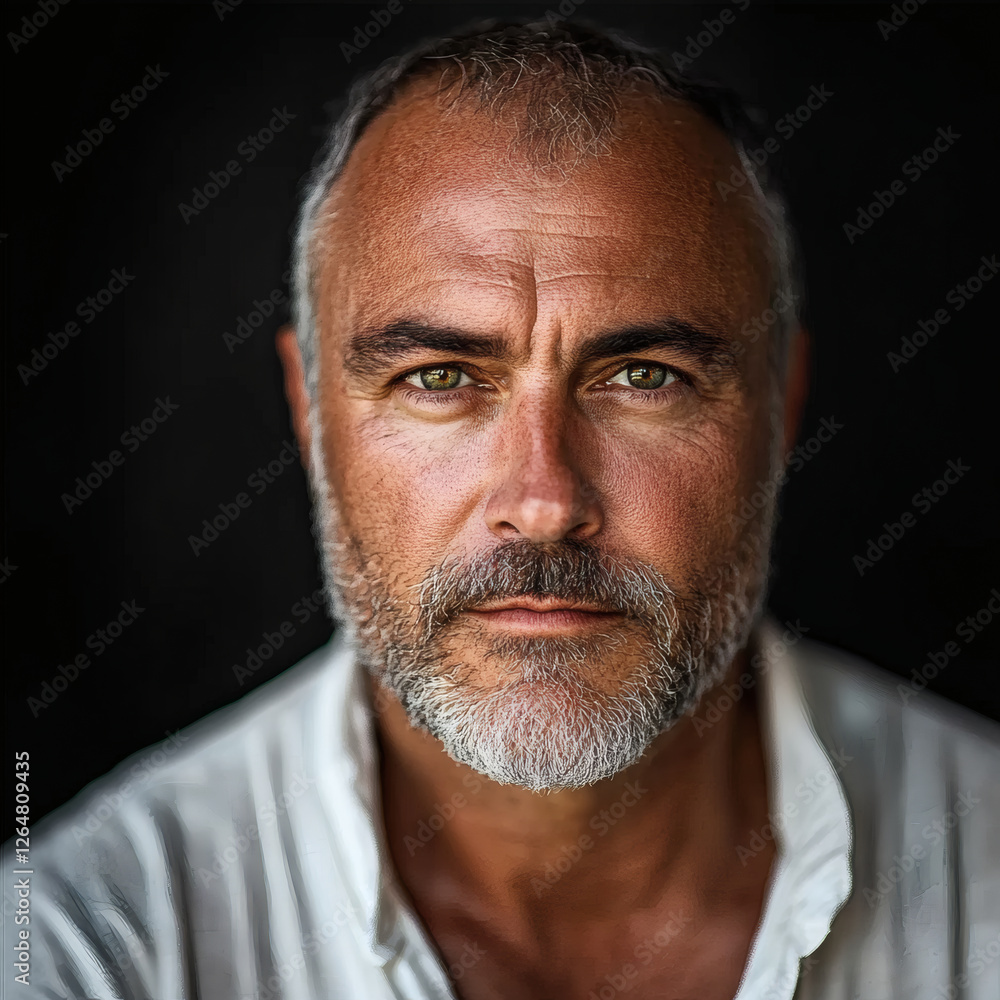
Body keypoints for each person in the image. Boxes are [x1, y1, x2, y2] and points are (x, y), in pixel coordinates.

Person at [6, 18, 999, 1000]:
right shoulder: (81, 949)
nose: (544, 501)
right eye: (440, 376)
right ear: (310, 413)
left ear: (781, 409)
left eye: (643, 376)